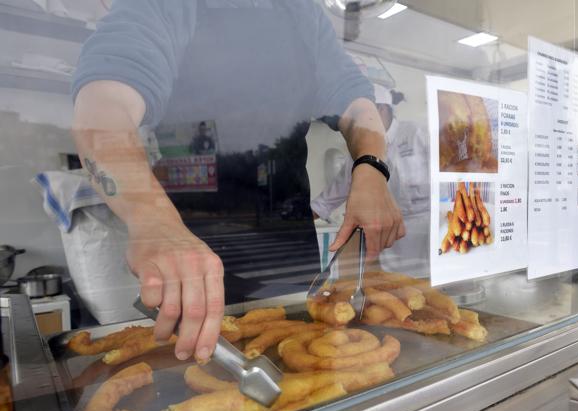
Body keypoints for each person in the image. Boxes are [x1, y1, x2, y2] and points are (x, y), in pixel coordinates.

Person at [71, 1, 404, 362]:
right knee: (191, 369)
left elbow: (356, 104)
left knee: (302, 366)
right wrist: (154, 223)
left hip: (290, 258)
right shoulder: (166, 6)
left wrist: (371, 168)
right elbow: (104, 107)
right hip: (193, 256)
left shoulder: (301, 12)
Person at [312, 84, 430, 276]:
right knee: (400, 293)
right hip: (394, 243)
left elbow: (453, 176)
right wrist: (292, 225)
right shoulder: (361, 154)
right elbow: (327, 200)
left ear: (381, 110)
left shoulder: (416, 133)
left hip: (432, 235)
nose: (357, 126)